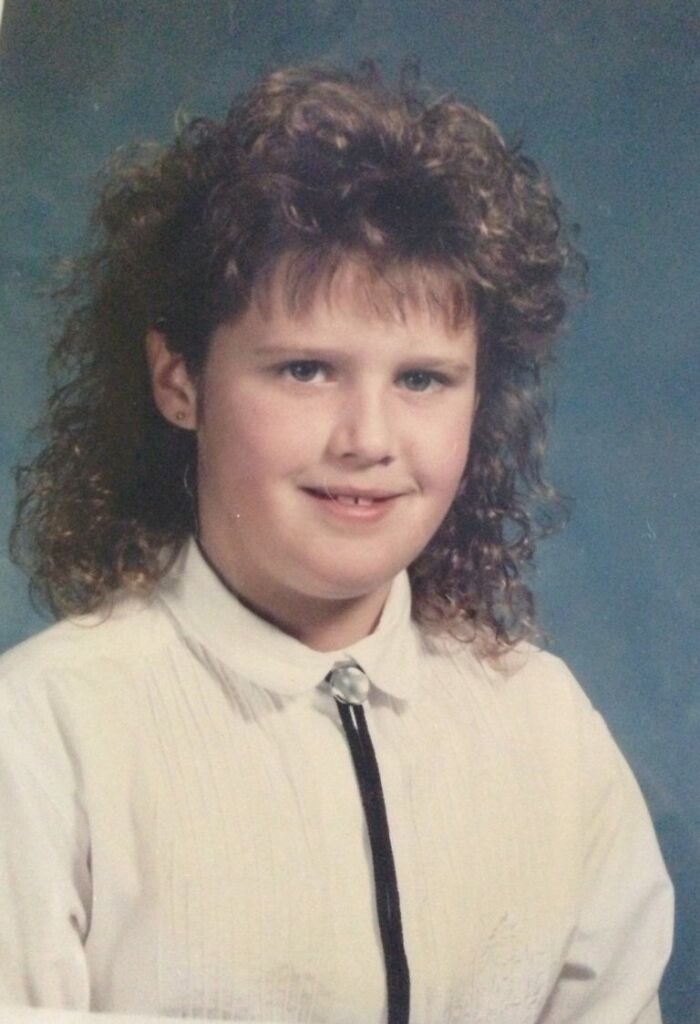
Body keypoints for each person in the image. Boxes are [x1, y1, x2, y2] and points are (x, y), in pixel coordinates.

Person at [1, 63, 672, 1023]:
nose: (368, 439)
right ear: (178, 381)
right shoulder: (39, 738)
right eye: (307, 369)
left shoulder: (545, 728)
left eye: (425, 380)